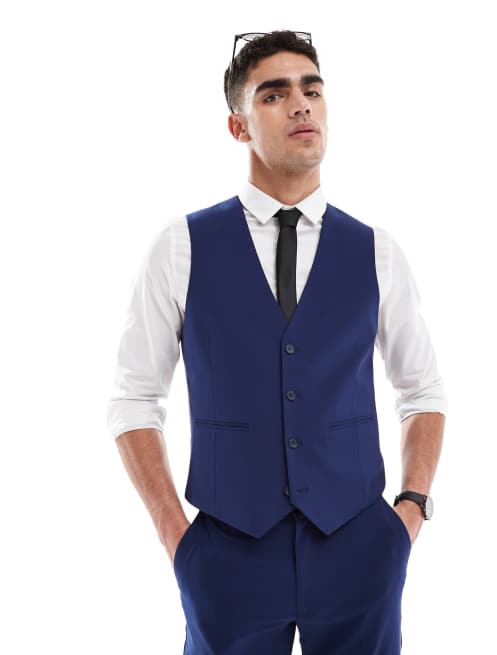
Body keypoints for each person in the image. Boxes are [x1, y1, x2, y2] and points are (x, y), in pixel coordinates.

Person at [105, 30, 448, 655]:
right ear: (238, 126)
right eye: (274, 94)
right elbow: (133, 400)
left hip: (358, 548)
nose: (300, 105)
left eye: (312, 90)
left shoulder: (376, 251)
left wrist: (410, 511)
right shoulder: (181, 247)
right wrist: (176, 536)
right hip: (226, 555)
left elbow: (422, 391)